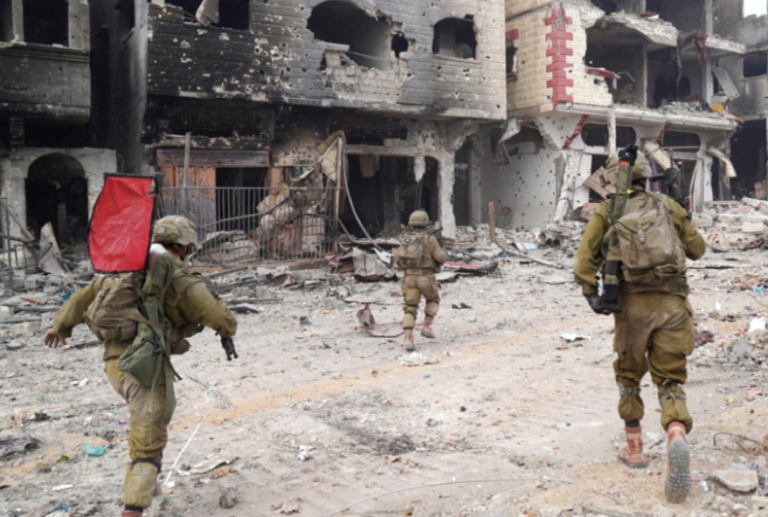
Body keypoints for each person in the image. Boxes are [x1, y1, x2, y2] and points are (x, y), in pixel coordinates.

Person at [43, 216, 238, 517]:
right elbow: (223, 321)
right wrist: (223, 316)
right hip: (144, 370)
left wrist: (59, 327)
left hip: (115, 364)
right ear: (185, 247)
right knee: (147, 441)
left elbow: (83, 297)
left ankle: (151, 480)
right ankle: (133, 509)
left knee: (163, 410)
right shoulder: (183, 281)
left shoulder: (126, 269)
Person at [574, 152, 705, 504]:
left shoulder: (608, 211)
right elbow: (697, 250)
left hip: (631, 307)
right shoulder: (668, 206)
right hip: (673, 304)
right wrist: (684, 214)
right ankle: (676, 433)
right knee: (670, 378)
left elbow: (585, 260)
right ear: (647, 178)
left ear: (613, 180)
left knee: (629, 376)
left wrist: (591, 293)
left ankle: (634, 449)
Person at [394, 210, 449, 351]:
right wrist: (441, 243)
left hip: (409, 278)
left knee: (410, 307)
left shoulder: (405, 240)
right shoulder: (430, 239)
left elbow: (398, 262)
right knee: (433, 300)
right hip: (426, 277)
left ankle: (408, 340)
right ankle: (426, 326)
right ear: (426, 223)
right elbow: (442, 257)